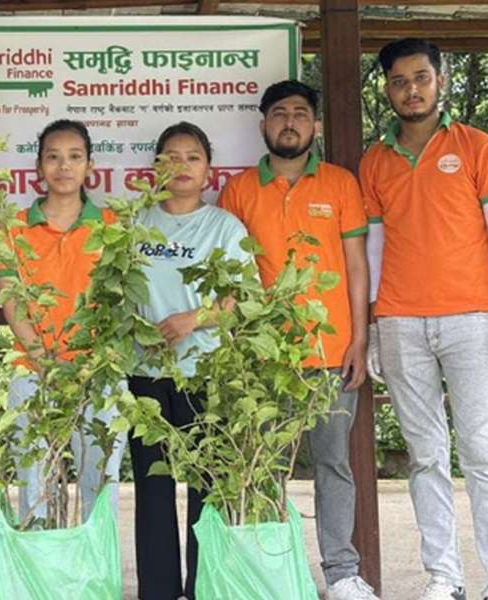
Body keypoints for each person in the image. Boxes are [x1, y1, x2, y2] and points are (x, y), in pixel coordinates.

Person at [219, 80, 375, 600]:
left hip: (331, 354)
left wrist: (358, 339)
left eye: (301, 113)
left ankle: (341, 574)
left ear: (316, 125)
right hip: (263, 358)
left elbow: (356, 266)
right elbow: (230, 277)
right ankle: (274, 574)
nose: (290, 122)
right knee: (262, 466)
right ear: (263, 124)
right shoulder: (239, 190)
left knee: (333, 464)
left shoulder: (340, 184)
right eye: (280, 113)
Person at [362, 38, 488, 600]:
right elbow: (372, 248)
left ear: (441, 82)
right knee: (426, 456)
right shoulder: (374, 160)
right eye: (398, 80)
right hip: (400, 321)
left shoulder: (476, 146)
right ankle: (445, 576)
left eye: (421, 77)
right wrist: (369, 324)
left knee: (482, 450)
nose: (410, 89)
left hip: (472, 316)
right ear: (386, 88)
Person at [130, 122, 248, 600]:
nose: (181, 165)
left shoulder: (225, 226)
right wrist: (139, 333)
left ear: (209, 171)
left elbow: (240, 297)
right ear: (156, 168)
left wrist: (191, 320)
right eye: (170, 157)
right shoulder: (135, 226)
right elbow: (115, 297)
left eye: (192, 157)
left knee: (208, 486)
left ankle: (205, 586)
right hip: (146, 374)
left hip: (206, 373)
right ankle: (158, 589)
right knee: (152, 489)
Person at [0, 119, 126, 524]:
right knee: (36, 480)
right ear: (38, 167)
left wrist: (95, 356)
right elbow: (10, 296)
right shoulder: (13, 226)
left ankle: (95, 579)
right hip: (32, 366)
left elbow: (119, 300)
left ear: (90, 166)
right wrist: (38, 353)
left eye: (74, 157)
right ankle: (44, 577)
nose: (63, 166)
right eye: (53, 157)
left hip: (98, 368)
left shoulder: (111, 227)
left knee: (100, 480)